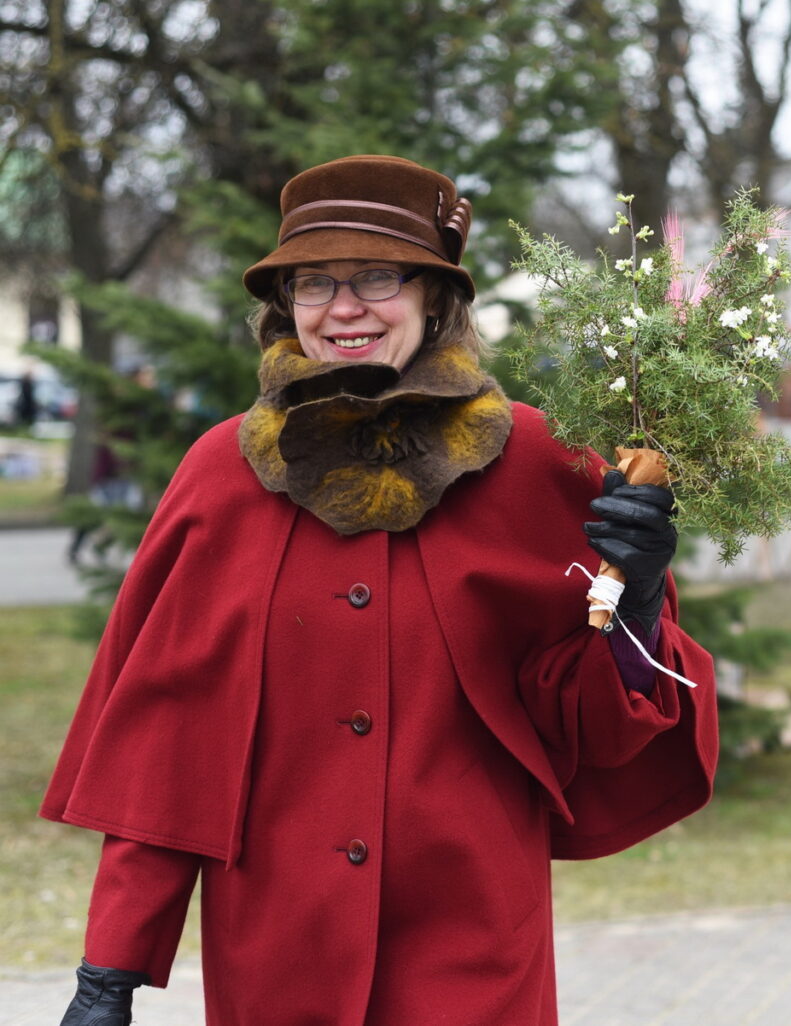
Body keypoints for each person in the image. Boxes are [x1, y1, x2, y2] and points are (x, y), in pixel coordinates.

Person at [43, 154, 717, 1025]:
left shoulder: (540, 465)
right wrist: (111, 970)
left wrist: (639, 604)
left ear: (436, 298)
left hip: (475, 949)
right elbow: (166, 742)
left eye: (376, 276)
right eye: (314, 282)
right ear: (285, 305)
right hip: (278, 955)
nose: (344, 307)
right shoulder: (221, 476)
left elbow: (593, 724)